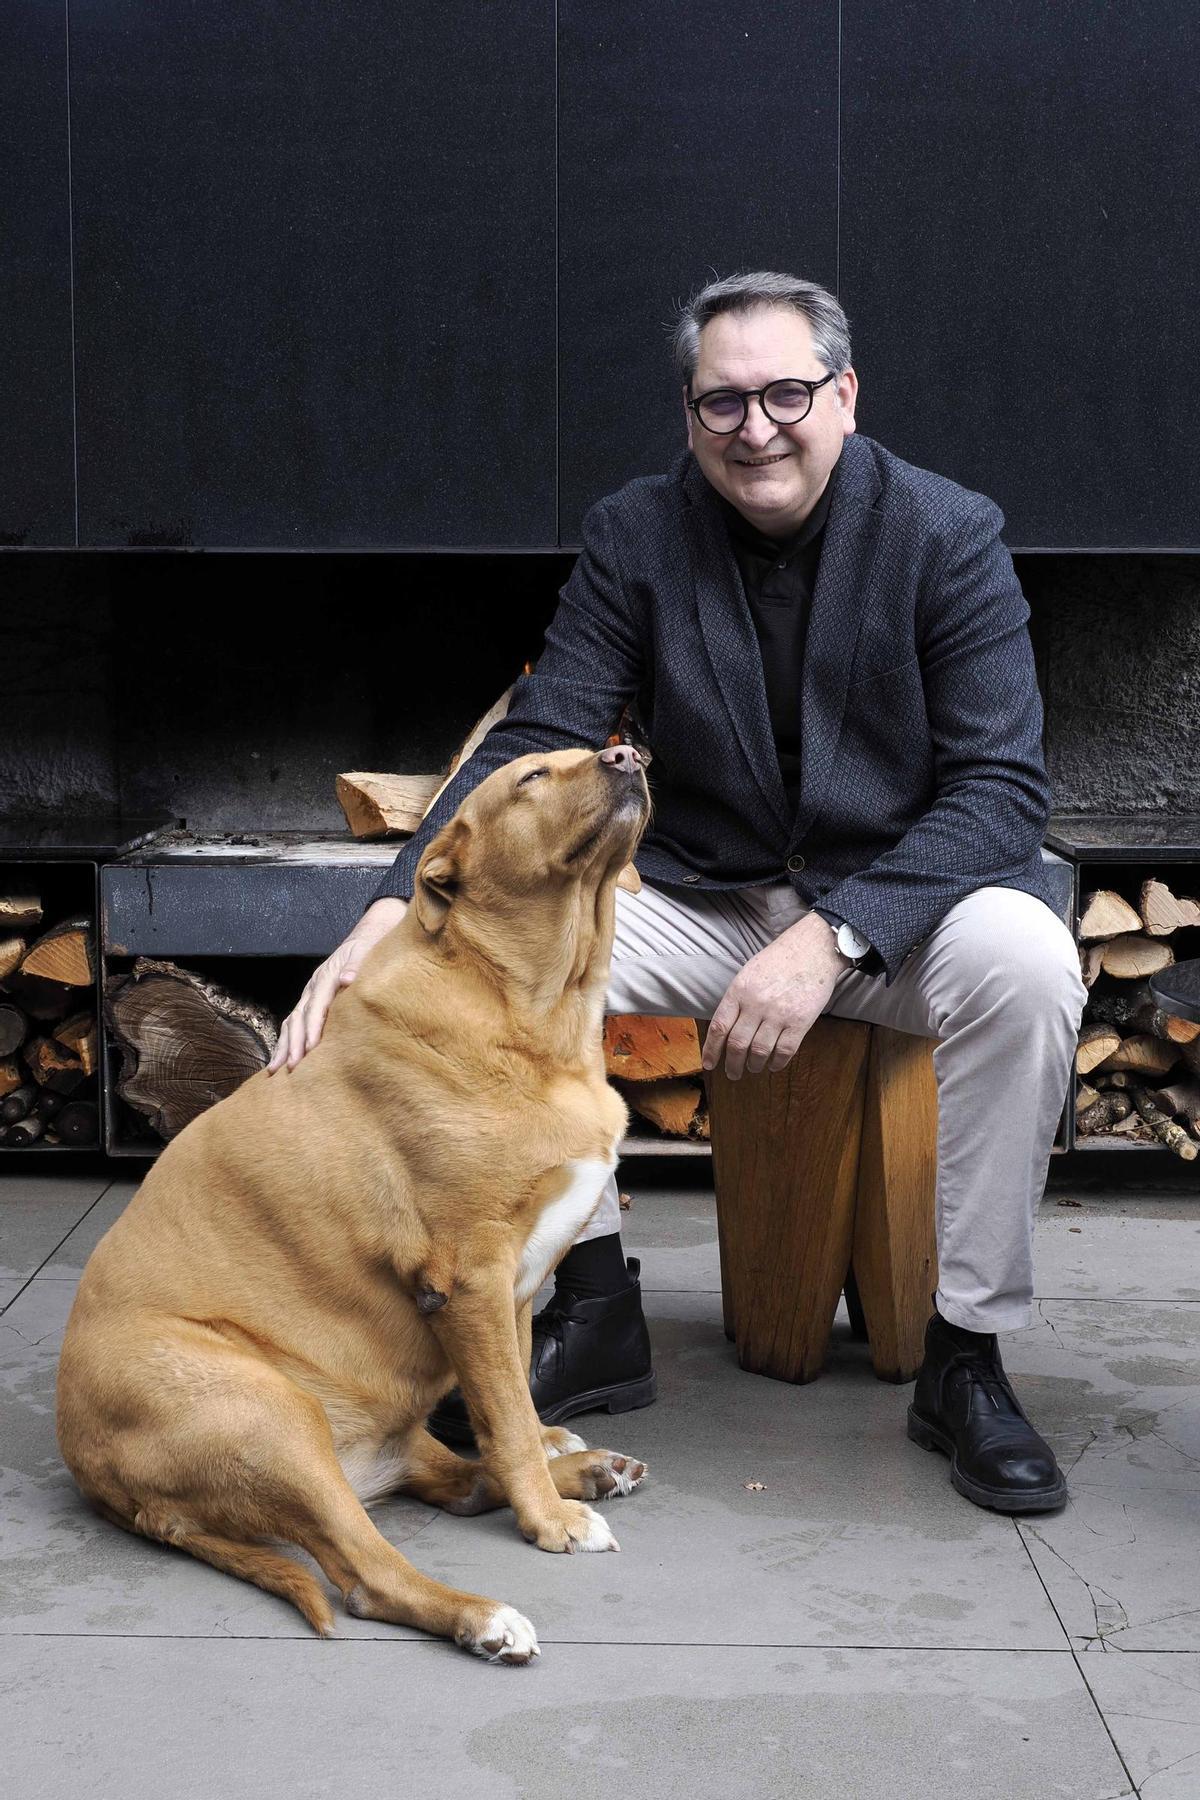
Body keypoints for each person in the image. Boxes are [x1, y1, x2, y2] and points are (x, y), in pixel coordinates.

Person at [268, 271, 1087, 1514]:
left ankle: (965, 1359)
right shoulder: (637, 533)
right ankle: (594, 1308)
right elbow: (532, 734)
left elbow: (998, 792)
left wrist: (834, 939)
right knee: (478, 973)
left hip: (901, 908)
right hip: (705, 899)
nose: (756, 427)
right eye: (723, 403)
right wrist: (388, 912)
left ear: (845, 396)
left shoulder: (947, 531)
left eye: (786, 394)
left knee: (1029, 962)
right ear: (691, 414)